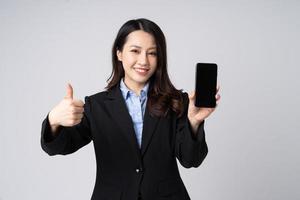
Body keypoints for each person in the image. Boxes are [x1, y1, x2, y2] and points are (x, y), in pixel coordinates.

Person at [40, 18, 221, 200]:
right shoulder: (96, 106)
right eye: (135, 51)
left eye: (152, 53)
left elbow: (191, 160)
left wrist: (195, 122)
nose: (144, 61)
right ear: (119, 53)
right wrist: (53, 120)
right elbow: (60, 147)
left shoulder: (177, 102)